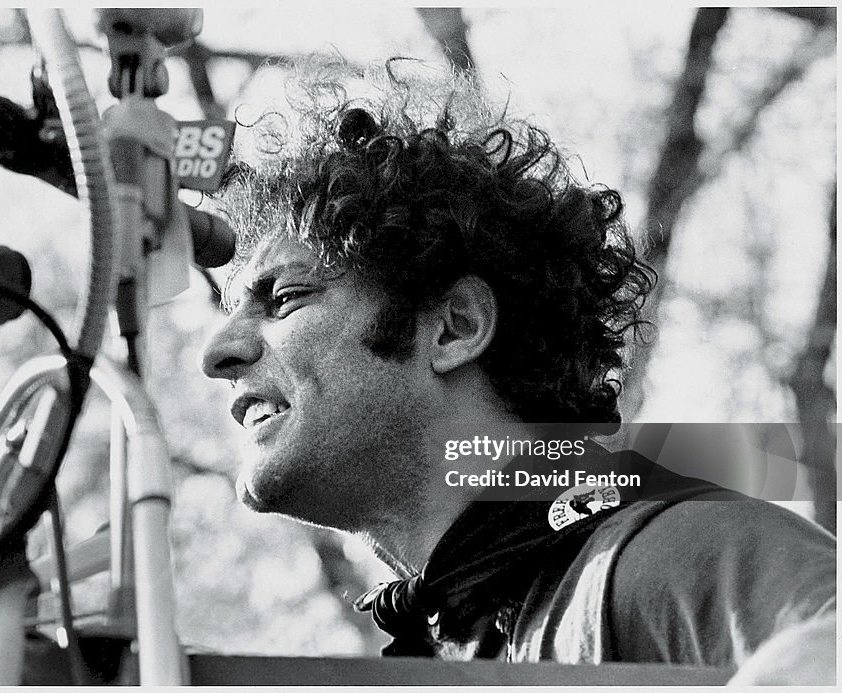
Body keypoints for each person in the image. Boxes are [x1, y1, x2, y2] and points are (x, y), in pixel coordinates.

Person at [199, 57, 836, 676]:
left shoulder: (672, 558)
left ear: (455, 328)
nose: (217, 352)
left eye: (283, 298)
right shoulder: (445, 648)